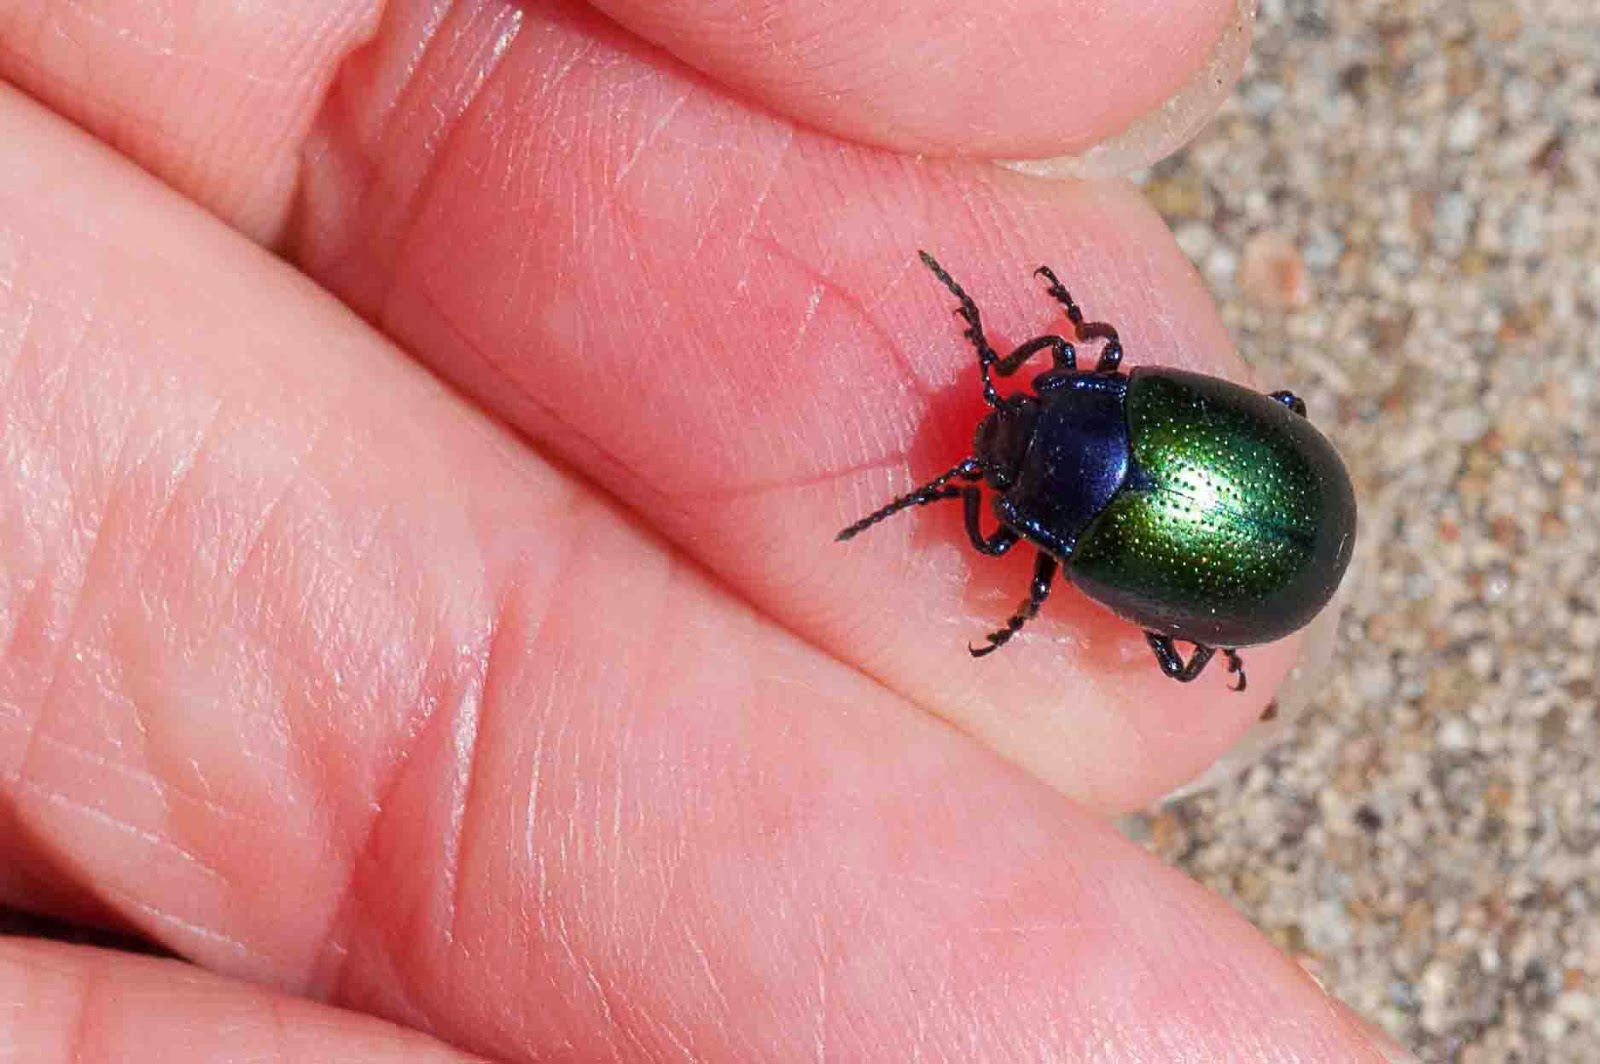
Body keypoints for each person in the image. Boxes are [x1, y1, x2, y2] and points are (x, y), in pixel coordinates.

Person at [0, 0, 1410, 1059]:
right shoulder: (1095, 428)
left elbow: (1077, 467)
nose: (998, 421)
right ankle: (1210, 653)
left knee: (1178, 632)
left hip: (1250, 516)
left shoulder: (1076, 481)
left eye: (1006, 419)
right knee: (1177, 637)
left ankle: (1209, 652)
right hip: (1242, 508)